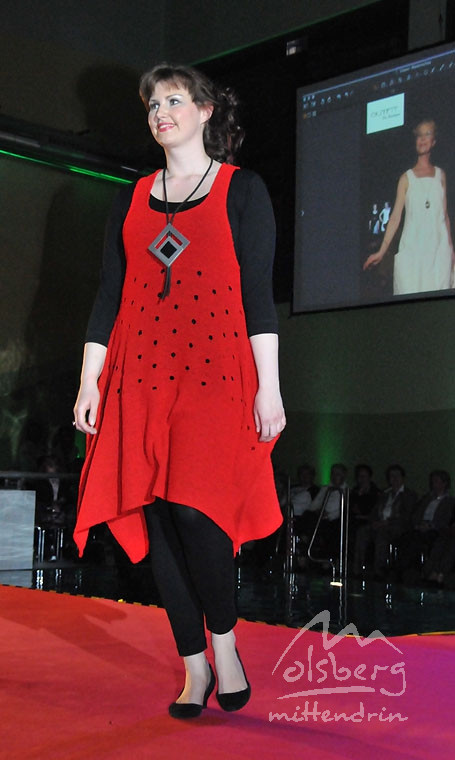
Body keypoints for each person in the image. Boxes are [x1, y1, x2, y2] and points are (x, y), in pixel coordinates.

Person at [73, 63, 286, 719]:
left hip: (216, 373)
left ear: (204, 111)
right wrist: (89, 380)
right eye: (152, 106)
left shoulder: (242, 189)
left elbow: (258, 297)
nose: (160, 113)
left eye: (173, 100)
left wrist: (270, 388)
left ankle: (224, 644)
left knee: (196, 509)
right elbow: (109, 295)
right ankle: (194, 667)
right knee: (157, 514)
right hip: (138, 375)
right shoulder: (131, 197)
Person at [363, 119, 454, 295]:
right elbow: (395, 217)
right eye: (419, 135)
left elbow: (444, 215)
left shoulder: (441, 175)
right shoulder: (406, 178)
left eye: (427, 134)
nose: (422, 139)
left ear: (434, 141)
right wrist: (381, 251)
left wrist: (451, 250)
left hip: (438, 253)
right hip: (412, 253)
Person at [353, 464, 416, 578]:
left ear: (402, 478)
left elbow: (407, 515)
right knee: (362, 532)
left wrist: (388, 522)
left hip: (396, 526)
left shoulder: (408, 494)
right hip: (380, 523)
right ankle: (358, 569)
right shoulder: (384, 494)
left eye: (397, 476)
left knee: (382, 535)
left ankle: (379, 570)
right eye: (391, 476)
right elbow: (374, 512)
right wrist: (374, 522)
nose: (394, 479)